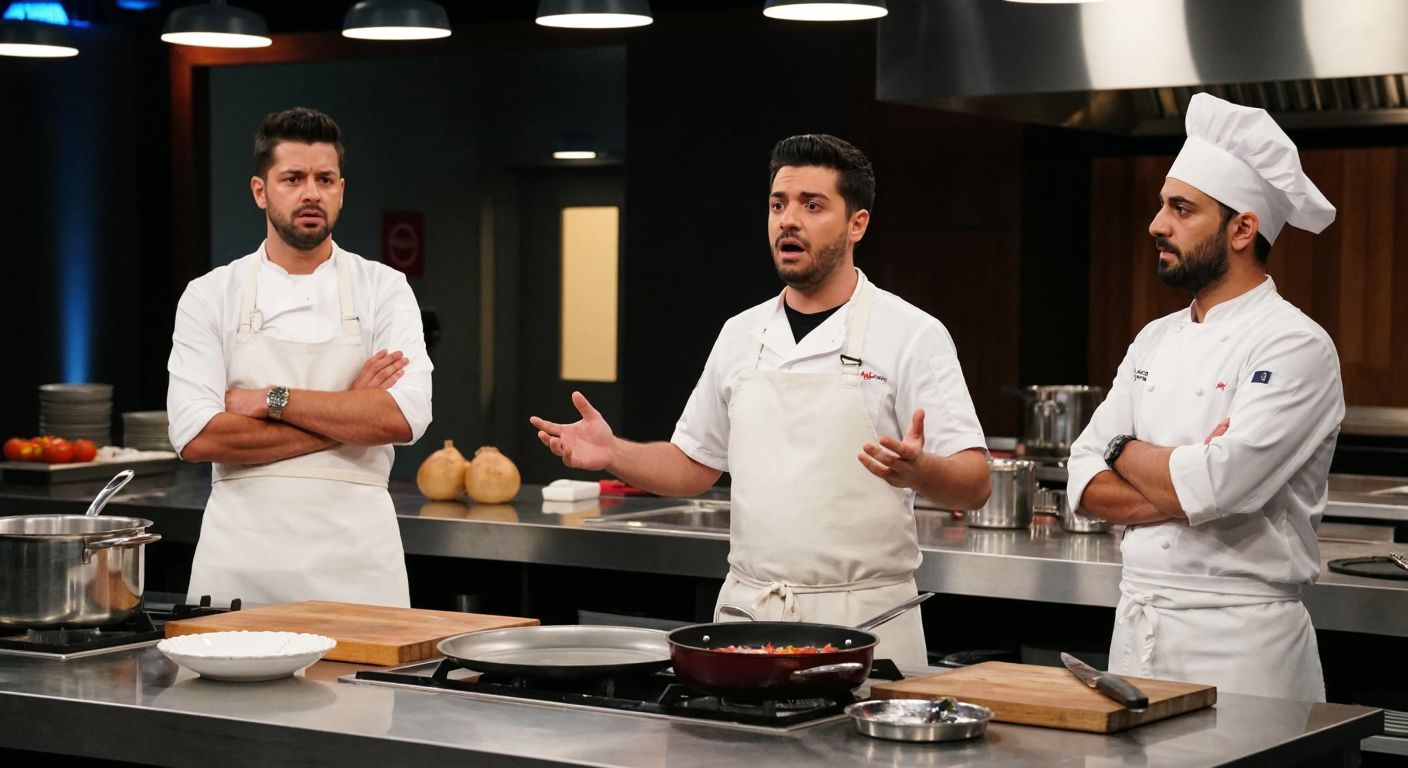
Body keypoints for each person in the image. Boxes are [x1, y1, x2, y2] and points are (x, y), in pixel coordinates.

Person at [530, 134, 991, 669]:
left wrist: (921, 471)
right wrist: (614, 453)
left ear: (857, 224)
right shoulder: (740, 334)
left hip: (866, 626)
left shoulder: (912, 333)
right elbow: (694, 465)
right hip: (748, 620)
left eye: (812, 206)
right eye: (778, 205)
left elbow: (974, 481)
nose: (787, 221)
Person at [1066, 93, 1343, 701]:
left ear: (1242, 228)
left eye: (1181, 209)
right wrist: (1182, 477)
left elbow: (1221, 484)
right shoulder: (1155, 337)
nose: (1156, 224)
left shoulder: (1296, 345)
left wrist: (1121, 449)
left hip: (1244, 649)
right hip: (1136, 632)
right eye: (1162, 205)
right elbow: (1082, 485)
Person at [166, 107, 433, 607]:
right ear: (260, 191)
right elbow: (198, 436)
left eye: (324, 178)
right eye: (293, 178)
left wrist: (271, 398)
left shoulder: (385, 289)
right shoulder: (209, 295)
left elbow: (402, 417)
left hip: (358, 572)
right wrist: (349, 408)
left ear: (341, 190)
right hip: (240, 571)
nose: (311, 192)